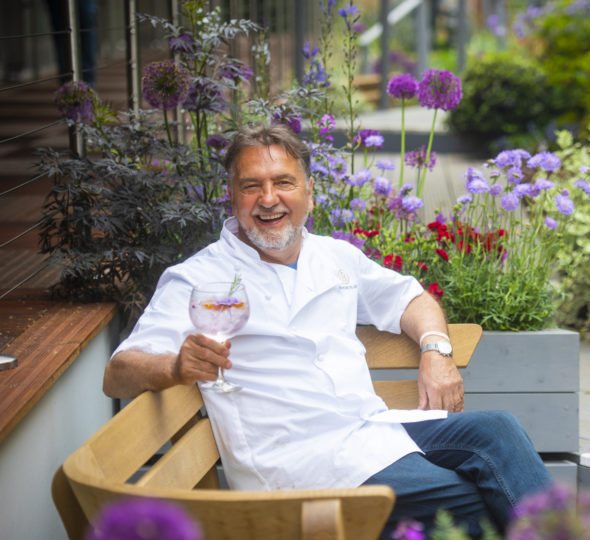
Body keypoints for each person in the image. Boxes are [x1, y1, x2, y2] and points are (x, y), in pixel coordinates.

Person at [103, 123, 553, 536]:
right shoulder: (200, 277)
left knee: (499, 430)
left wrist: (436, 350)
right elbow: (118, 372)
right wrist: (177, 366)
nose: (268, 198)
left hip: (370, 432)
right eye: (251, 186)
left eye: (283, 182)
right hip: (297, 464)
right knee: (466, 500)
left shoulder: (334, 256)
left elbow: (410, 299)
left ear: (310, 192)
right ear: (232, 197)